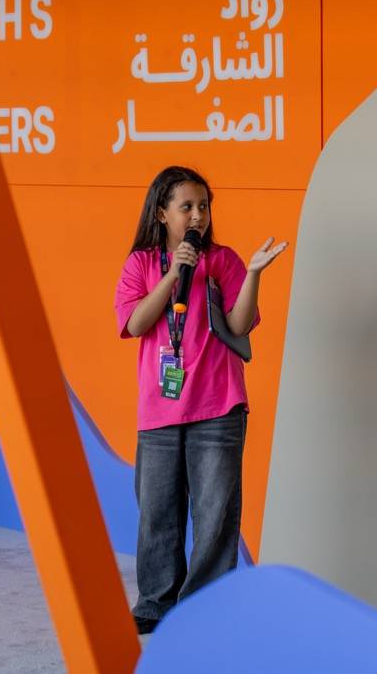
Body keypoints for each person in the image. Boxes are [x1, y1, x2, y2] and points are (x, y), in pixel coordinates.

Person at [115, 165, 287, 635]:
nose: (197, 215)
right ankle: (155, 603)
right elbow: (135, 324)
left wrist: (253, 275)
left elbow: (239, 325)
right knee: (157, 513)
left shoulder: (224, 261)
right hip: (160, 410)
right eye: (186, 206)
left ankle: (206, 608)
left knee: (215, 515)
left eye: (203, 206)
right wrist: (173, 274)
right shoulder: (141, 265)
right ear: (161, 212)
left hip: (218, 407)